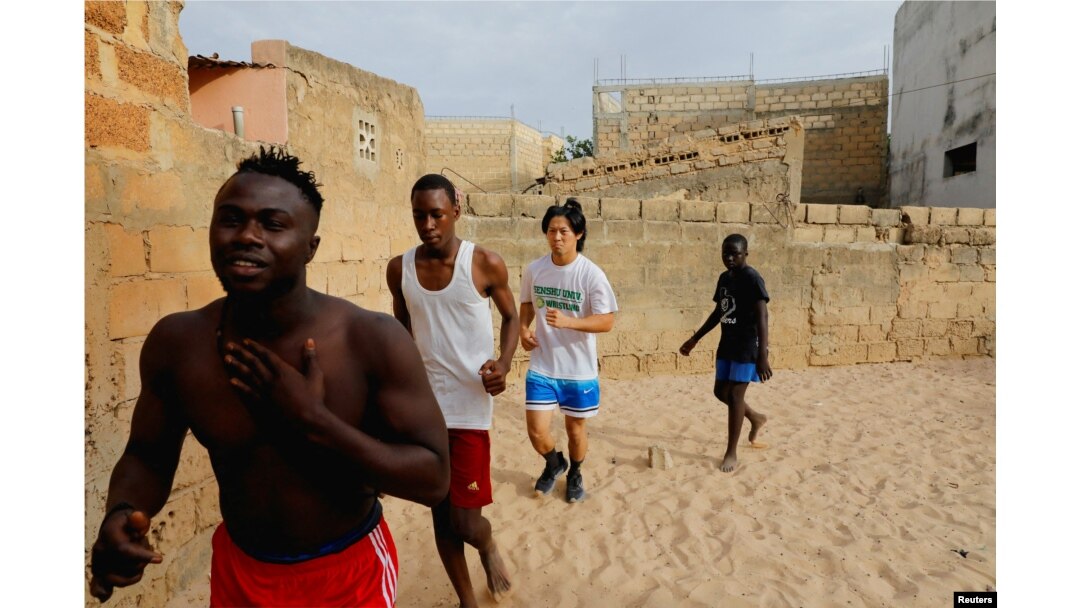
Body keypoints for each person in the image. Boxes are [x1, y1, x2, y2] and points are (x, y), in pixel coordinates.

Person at [88, 147, 450, 607]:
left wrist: (314, 423)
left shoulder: (370, 340)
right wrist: (120, 513)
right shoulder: (178, 345)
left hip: (346, 572)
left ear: (310, 248)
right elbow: (147, 455)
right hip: (241, 571)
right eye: (231, 219)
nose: (247, 236)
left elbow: (434, 478)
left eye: (273, 224)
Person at [386, 174, 516, 607]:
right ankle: (467, 601)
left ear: (456, 212)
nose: (428, 224)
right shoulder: (399, 269)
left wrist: (503, 362)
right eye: (419, 215)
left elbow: (513, 318)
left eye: (437, 214)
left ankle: (488, 544)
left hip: (470, 408)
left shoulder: (484, 263)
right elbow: (403, 333)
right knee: (441, 515)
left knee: (466, 521)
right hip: (425, 410)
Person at [519, 199, 617, 503]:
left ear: (578, 233)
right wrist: (524, 330)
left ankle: (574, 472)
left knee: (575, 431)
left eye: (563, 231)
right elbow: (525, 305)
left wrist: (569, 322)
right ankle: (553, 463)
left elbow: (607, 321)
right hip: (543, 366)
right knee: (536, 430)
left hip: (578, 370)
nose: (557, 237)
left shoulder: (591, 275)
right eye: (551, 231)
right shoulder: (534, 270)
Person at [678, 233, 772, 473]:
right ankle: (755, 417)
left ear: (745, 254)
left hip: (746, 347)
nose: (729, 258)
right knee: (721, 391)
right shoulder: (724, 278)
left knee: (736, 397)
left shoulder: (752, 278)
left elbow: (762, 316)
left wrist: (763, 355)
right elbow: (719, 311)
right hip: (727, 343)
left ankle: (731, 452)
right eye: (725, 253)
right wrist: (695, 338)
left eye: (735, 253)